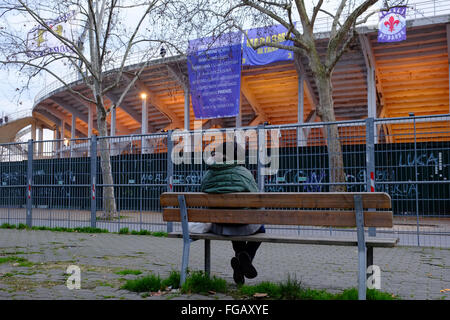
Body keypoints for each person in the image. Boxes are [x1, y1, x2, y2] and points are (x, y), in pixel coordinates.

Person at [200, 141, 265, 285]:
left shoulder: (208, 174)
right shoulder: (244, 173)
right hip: (242, 224)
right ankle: (246, 256)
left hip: (217, 225)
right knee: (260, 228)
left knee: (231, 223)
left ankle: (241, 265)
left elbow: (201, 192)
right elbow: (256, 199)